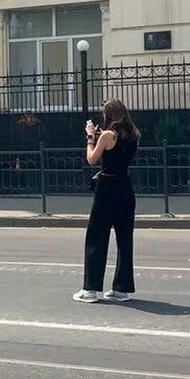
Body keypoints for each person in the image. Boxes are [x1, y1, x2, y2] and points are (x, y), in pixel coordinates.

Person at [76, 99, 139, 303]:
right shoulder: (133, 135)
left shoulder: (106, 135)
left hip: (107, 188)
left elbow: (92, 159)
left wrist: (89, 137)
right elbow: (117, 151)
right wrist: (99, 134)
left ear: (109, 115)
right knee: (125, 238)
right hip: (125, 188)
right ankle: (122, 288)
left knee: (96, 236)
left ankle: (90, 289)